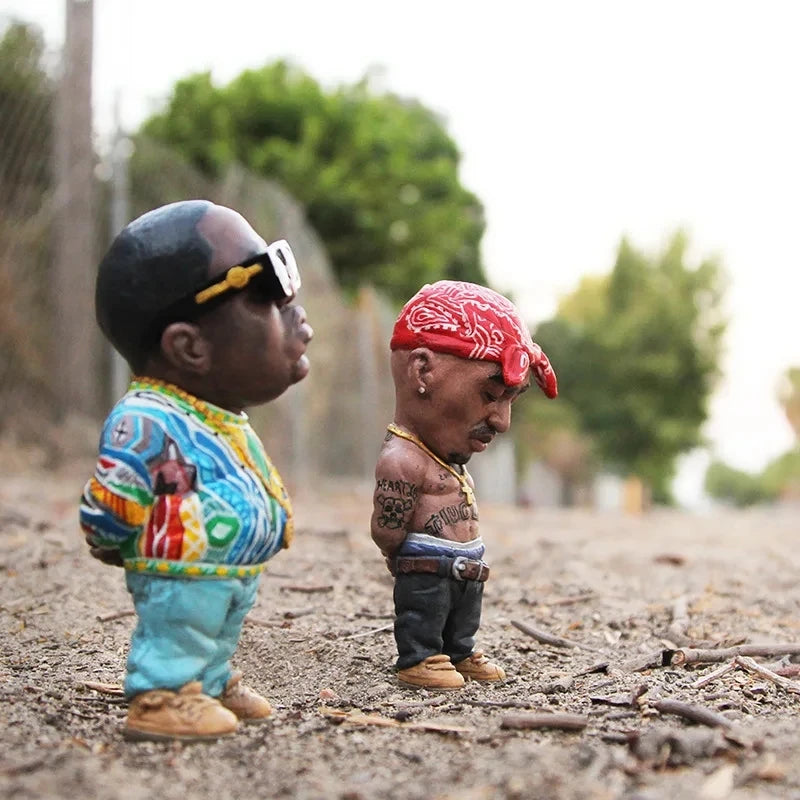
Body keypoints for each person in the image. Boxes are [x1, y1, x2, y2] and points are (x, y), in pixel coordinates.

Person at [80, 200, 313, 740]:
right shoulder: (146, 420)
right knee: (181, 627)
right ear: (189, 346)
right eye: (265, 291)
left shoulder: (216, 416)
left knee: (216, 627)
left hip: (224, 568)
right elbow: (117, 485)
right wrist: (108, 530)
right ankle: (163, 693)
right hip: (179, 569)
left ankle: (207, 681)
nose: (293, 308)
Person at [371, 280, 557, 689]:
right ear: (422, 371)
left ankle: (458, 650)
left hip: (464, 567)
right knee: (425, 609)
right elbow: (387, 526)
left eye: (511, 401)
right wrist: (396, 552)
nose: (502, 422)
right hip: (427, 565)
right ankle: (420, 657)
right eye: (490, 394)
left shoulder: (447, 459)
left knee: (462, 614)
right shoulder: (403, 460)